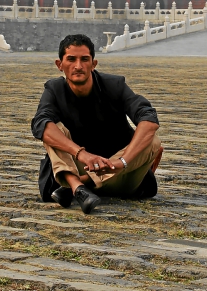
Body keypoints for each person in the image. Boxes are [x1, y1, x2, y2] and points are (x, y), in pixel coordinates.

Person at [31, 34, 163, 214]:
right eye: (71, 59)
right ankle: (77, 186)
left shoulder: (115, 85)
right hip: (77, 165)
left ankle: (78, 184)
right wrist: (82, 154)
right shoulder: (54, 90)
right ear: (59, 65)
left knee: (153, 140)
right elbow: (40, 124)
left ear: (94, 64)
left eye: (84, 59)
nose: (78, 66)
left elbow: (148, 118)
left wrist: (120, 162)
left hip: (120, 175)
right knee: (50, 128)